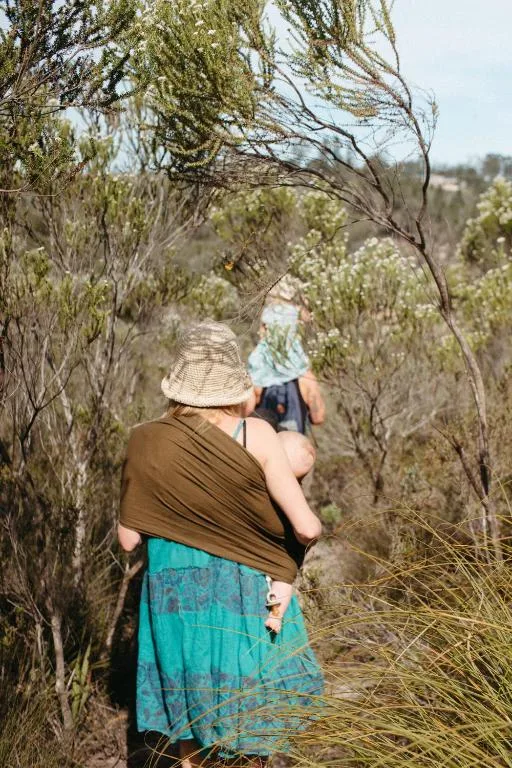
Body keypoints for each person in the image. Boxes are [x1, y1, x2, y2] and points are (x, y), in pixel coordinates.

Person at [118, 322, 324, 767]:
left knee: (190, 715)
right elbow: (306, 528)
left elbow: (129, 537)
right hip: (240, 586)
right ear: (233, 382)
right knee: (248, 708)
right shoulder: (256, 434)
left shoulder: (143, 439)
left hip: (172, 591)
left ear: (180, 382)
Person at [264, 431, 317, 633]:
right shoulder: (296, 491)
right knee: (283, 580)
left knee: (283, 579)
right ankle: (275, 615)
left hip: (283, 549)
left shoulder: (276, 483)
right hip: (285, 550)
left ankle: (276, 616)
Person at [247, 303, 325, 433]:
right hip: (294, 448)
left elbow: (244, 415)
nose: (260, 331)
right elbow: (318, 417)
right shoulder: (305, 378)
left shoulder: (255, 377)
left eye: (264, 326)